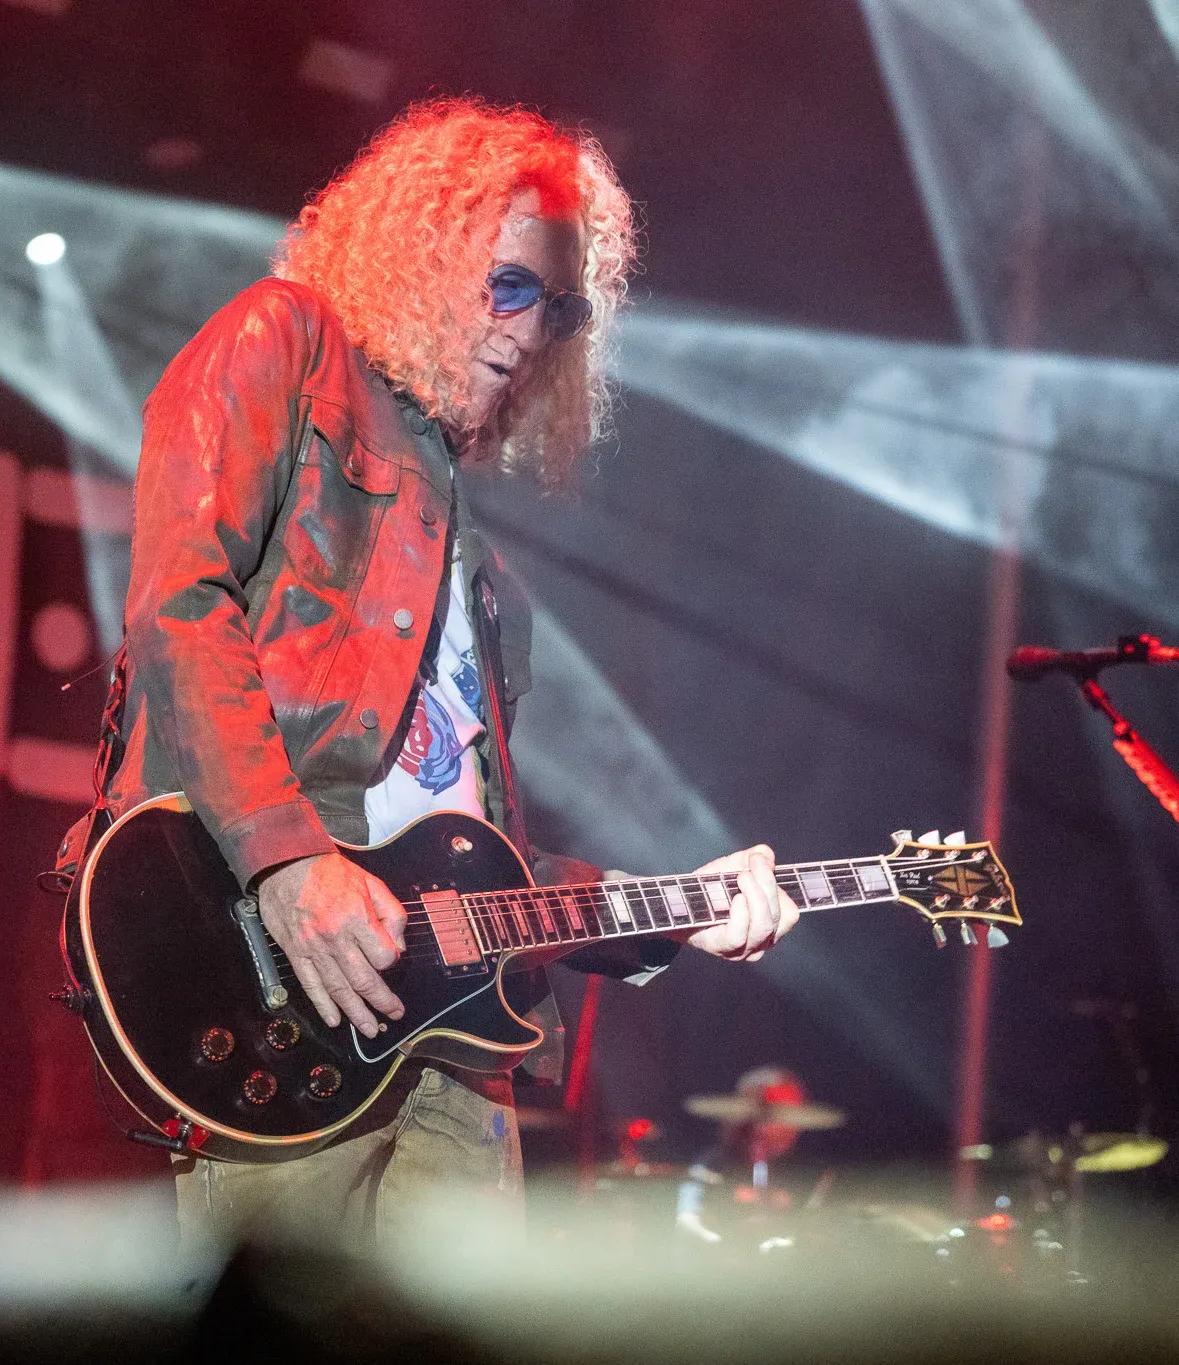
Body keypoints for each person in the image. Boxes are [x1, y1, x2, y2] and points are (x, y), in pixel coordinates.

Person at [84, 98, 801, 1242]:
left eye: (561, 308)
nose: (530, 329)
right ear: (421, 256)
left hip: (456, 1054)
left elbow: (468, 859)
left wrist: (677, 916)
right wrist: (286, 865)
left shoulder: (477, 570)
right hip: (293, 980)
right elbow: (180, 604)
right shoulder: (285, 341)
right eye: (507, 284)